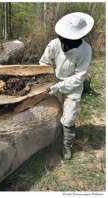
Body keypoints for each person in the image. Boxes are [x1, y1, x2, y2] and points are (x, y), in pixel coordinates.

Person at [39, 12, 94, 160]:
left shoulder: (86, 50)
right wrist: (49, 82)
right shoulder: (54, 44)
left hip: (73, 86)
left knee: (69, 117)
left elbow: (79, 77)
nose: (66, 43)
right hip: (53, 82)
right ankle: (49, 137)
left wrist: (60, 86)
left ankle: (67, 145)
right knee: (49, 112)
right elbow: (44, 64)